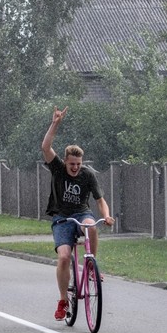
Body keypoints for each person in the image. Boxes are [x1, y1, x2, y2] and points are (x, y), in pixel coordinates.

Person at [41, 106, 114, 321]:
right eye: (72, 164)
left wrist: (107, 215)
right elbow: (46, 146)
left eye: (78, 164)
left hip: (81, 213)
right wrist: (55, 123)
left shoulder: (87, 175)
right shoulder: (57, 169)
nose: (75, 168)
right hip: (61, 217)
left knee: (91, 225)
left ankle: (91, 265)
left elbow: (100, 200)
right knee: (64, 257)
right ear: (65, 161)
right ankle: (63, 300)